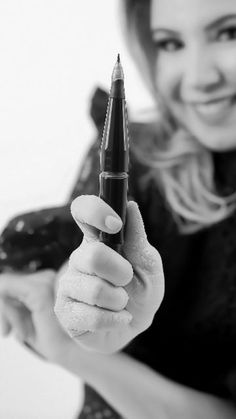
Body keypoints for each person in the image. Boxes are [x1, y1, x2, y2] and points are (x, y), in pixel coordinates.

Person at [1, 0, 236, 417]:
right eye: (169, 43)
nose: (200, 78)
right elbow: (55, 285)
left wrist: (88, 358)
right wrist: (70, 307)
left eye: (229, 33)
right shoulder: (135, 159)